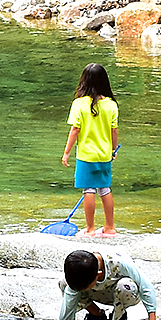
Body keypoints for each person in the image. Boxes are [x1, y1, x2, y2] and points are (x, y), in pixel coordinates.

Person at [60, 61, 120, 236]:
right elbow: (114, 130)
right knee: (105, 189)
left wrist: (66, 153)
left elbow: (75, 129)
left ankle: (90, 229)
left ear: (84, 81)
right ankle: (110, 228)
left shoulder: (79, 104)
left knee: (88, 190)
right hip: (104, 154)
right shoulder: (111, 104)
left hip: (86, 155)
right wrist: (113, 149)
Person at [52, 247, 161, 320]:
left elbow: (146, 287)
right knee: (64, 283)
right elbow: (67, 306)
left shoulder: (119, 262)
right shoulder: (81, 269)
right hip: (98, 293)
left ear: (98, 275)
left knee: (125, 286)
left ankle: (118, 318)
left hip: (123, 293)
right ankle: (97, 316)